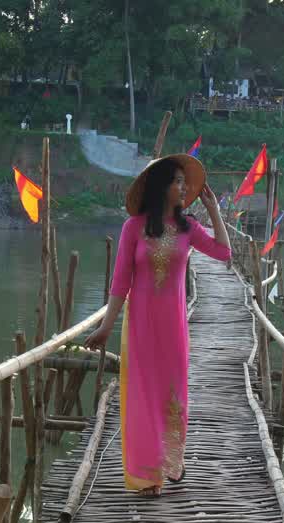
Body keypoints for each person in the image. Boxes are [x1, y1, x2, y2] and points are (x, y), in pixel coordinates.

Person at [83, 155, 232, 497]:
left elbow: (224, 253)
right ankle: (146, 476)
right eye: (177, 181)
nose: (184, 188)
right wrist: (106, 326)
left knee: (173, 395)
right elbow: (121, 283)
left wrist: (215, 213)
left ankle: (169, 463)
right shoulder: (132, 228)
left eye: (184, 181)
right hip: (141, 327)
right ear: (161, 186)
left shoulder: (188, 228)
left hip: (174, 328)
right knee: (141, 398)